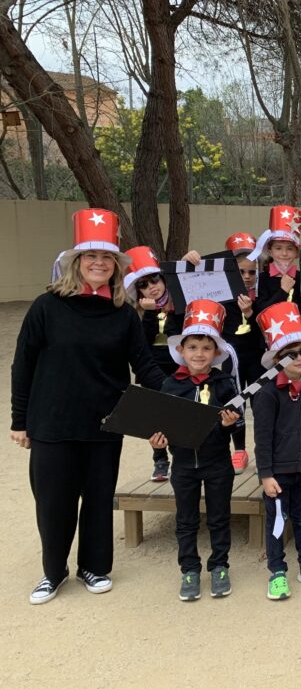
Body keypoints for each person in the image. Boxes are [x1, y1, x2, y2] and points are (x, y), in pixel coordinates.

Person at [11, 209, 165, 605]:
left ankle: (94, 566)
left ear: (116, 266)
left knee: (97, 499)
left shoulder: (123, 314)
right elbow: (23, 363)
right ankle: (53, 572)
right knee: (53, 502)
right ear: (76, 262)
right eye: (91, 256)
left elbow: (144, 365)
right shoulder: (46, 307)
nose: (99, 263)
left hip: (105, 422)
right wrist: (19, 420)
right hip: (52, 423)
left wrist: (180, 396)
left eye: (107, 257)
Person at [148, 299, 242, 601]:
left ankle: (219, 566)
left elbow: (238, 423)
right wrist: (159, 450)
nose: (199, 354)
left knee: (219, 517)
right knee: (186, 520)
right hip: (184, 465)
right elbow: (159, 426)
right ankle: (189, 569)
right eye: (192, 347)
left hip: (218, 463)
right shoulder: (170, 385)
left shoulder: (225, 383)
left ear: (215, 353)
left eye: (205, 348)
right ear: (181, 350)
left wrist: (229, 425)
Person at [252, 301, 301, 600]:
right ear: (277, 359)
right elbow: (262, 437)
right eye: (291, 354)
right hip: (278, 472)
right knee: (277, 521)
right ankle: (277, 571)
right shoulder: (266, 393)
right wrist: (265, 474)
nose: (300, 358)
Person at [182, 233, 264, 473]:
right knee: (233, 402)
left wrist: (250, 313)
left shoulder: (264, 291)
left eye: (252, 272)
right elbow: (187, 287)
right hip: (231, 356)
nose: (247, 276)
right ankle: (239, 450)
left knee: (262, 403)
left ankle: (264, 451)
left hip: (259, 356)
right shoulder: (218, 289)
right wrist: (188, 262)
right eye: (241, 271)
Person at [249, 205, 301, 391]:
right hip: (273, 347)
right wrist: (282, 290)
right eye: (278, 248)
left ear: (296, 253)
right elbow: (261, 311)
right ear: (270, 251)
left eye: (289, 249)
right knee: (273, 389)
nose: (284, 253)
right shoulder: (262, 279)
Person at [123, 245, 183, 482]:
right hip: (151, 367)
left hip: (178, 364)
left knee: (180, 412)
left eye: (155, 279)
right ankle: (160, 459)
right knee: (155, 416)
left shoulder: (179, 303)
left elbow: (179, 335)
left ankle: (180, 456)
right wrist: (149, 313)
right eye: (143, 284)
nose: (151, 286)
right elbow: (142, 342)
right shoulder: (137, 312)